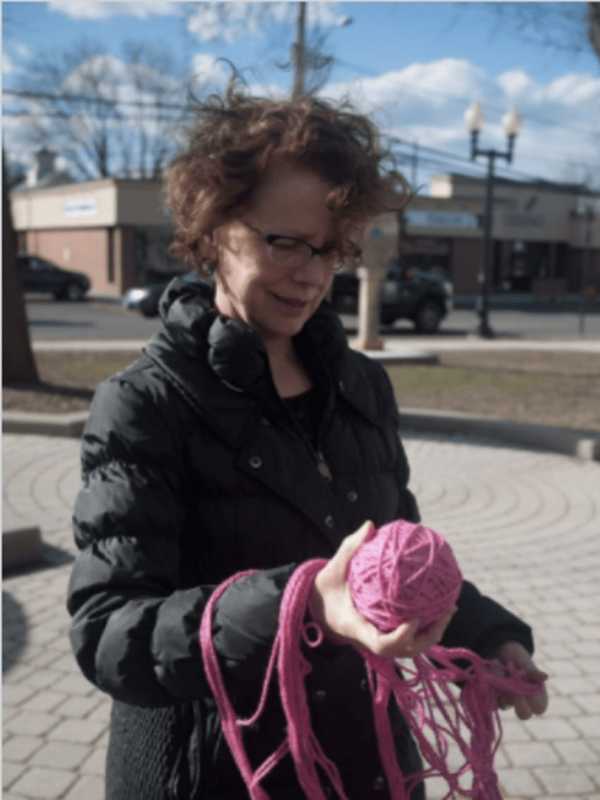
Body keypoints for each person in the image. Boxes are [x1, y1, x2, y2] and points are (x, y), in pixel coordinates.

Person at [67, 81, 548, 800]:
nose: (311, 274)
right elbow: (109, 635)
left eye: (328, 249)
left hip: (366, 757)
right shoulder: (145, 402)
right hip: (215, 771)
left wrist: (490, 637)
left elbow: (393, 559)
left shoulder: (360, 385)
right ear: (212, 227)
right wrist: (299, 605)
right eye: (283, 241)